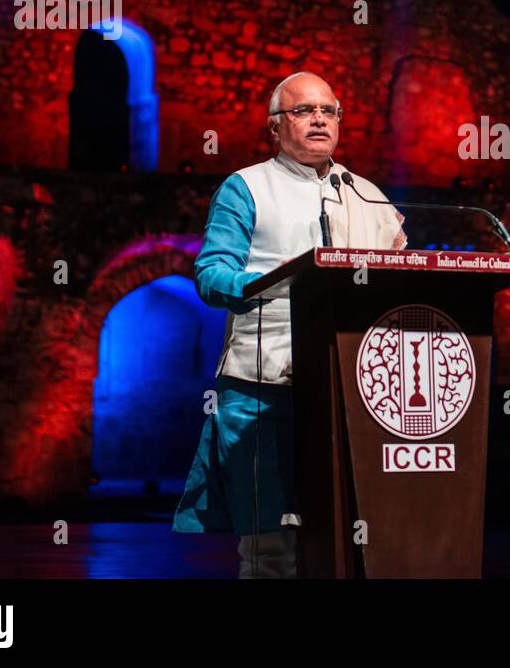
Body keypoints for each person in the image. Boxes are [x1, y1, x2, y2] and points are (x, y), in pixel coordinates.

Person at [172, 72, 405, 577]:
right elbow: (212, 275)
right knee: (270, 547)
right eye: (303, 111)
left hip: (350, 387)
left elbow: (397, 277)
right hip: (262, 386)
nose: (319, 119)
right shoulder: (247, 187)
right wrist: (288, 281)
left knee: (346, 538)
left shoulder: (368, 195)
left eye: (328, 111)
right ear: (274, 127)